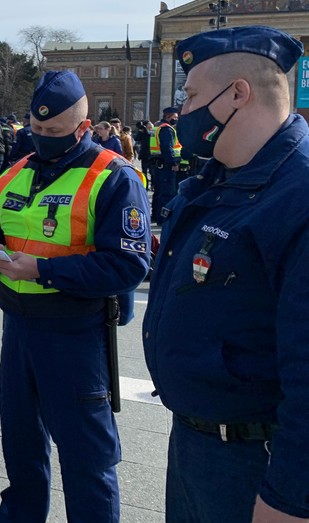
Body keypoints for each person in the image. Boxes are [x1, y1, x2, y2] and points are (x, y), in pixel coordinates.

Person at [0, 70, 150, 523]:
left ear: (83, 128)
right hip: (19, 331)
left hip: (77, 335)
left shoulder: (114, 177)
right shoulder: (15, 172)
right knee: (22, 455)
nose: (42, 138)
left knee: (88, 464)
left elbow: (128, 265)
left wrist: (43, 270)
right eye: (36, 129)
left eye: (54, 131)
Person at [143, 26, 309, 523]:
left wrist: (291, 498)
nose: (183, 110)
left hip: (254, 459)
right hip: (197, 444)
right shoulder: (218, 175)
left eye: (192, 94)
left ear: (238, 93)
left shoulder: (297, 195)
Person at [149, 106, 181, 224]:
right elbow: (167, 148)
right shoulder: (166, 129)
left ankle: (156, 216)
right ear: (169, 116)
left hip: (157, 164)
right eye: (175, 117)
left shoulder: (157, 127)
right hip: (166, 165)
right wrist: (173, 162)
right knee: (167, 193)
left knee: (158, 192)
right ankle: (163, 219)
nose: (176, 119)